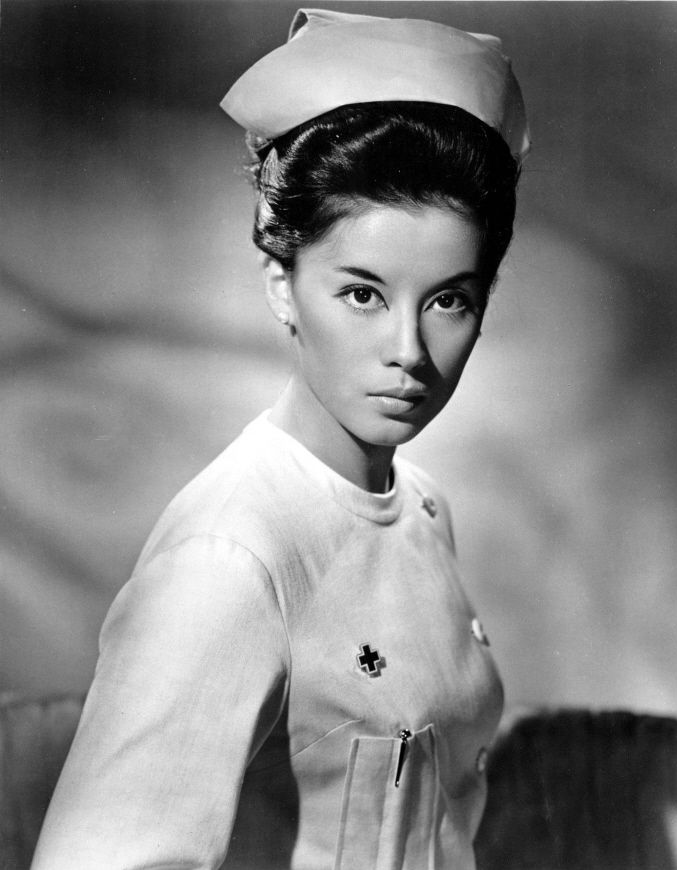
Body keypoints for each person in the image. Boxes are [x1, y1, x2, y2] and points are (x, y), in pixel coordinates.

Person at [31, 8, 529, 870]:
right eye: (363, 294)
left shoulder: (422, 510)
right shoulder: (231, 557)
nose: (408, 352)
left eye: (449, 299)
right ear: (281, 281)